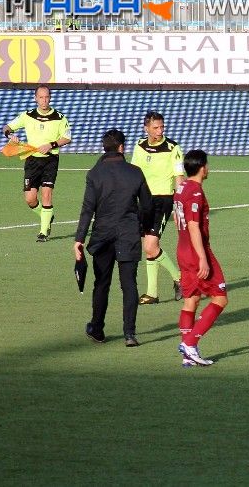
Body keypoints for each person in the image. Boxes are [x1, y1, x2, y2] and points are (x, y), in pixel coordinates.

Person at [73, 129, 152, 347]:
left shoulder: (94, 174)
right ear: (121, 148)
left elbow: (88, 208)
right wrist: (147, 232)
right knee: (129, 283)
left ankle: (97, 329)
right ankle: (130, 333)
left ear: (104, 148)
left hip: (103, 234)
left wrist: (79, 238)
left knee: (102, 283)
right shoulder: (135, 172)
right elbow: (147, 206)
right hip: (128, 233)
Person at [174, 150, 229, 367]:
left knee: (192, 299)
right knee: (220, 298)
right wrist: (203, 259)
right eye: (207, 164)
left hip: (182, 250)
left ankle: (188, 354)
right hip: (197, 252)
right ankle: (190, 342)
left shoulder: (181, 188)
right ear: (202, 167)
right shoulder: (195, 191)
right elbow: (195, 226)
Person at [2, 84, 72, 242]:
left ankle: (43, 232)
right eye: (41, 97)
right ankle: (47, 215)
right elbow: (6, 127)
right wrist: (10, 135)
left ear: (50, 98)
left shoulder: (60, 117)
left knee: (47, 194)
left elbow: (67, 137)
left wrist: (51, 145)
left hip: (50, 159)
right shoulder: (27, 115)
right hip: (32, 160)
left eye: (47, 97)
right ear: (35, 98)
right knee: (30, 199)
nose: (44, 100)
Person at [132, 111, 184, 305]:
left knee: (150, 245)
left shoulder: (173, 148)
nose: (160, 131)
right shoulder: (139, 146)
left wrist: (180, 206)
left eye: (162, 127)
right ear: (146, 128)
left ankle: (179, 278)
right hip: (143, 201)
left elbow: (179, 178)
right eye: (156, 127)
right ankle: (152, 293)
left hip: (162, 201)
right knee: (150, 249)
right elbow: (134, 173)